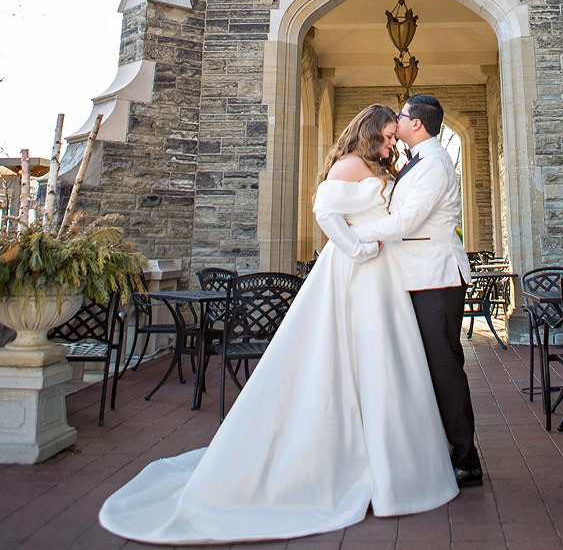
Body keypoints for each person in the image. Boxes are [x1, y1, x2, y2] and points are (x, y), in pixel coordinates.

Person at [98, 104, 458, 544]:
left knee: (384, 361)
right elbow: (326, 214)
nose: (389, 144)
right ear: (367, 133)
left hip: (381, 277)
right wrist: (361, 246)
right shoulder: (348, 165)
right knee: (347, 356)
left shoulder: (378, 165)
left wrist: (372, 240)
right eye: (384, 136)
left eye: (392, 136)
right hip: (353, 269)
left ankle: (390, 462)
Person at [353, 94, 482, 488]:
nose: (398, 118)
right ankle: (437, 450)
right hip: (416, 276)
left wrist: (357, 234)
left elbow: (407, 220)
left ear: (417, 125)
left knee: (444, 368)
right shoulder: (418, 160)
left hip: (436, 277)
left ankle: (467, 460)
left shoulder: (435, 164)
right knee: (425, 366)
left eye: (402, 115)